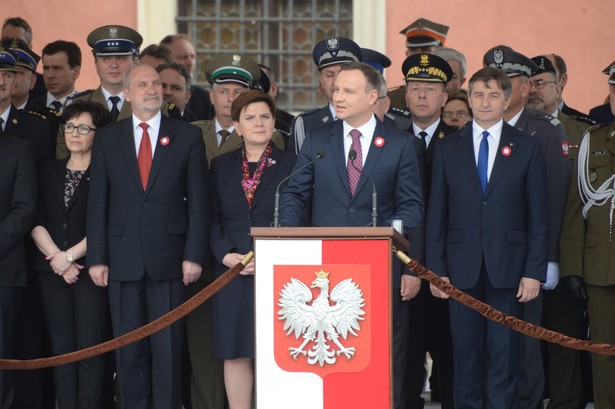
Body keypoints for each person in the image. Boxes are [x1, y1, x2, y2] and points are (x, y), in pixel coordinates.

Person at [279, 61, 423, 409]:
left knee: (385, 357)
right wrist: (286, 240)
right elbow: (295, 193)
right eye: (336, 88)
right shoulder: (318, 139)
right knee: (335, 360)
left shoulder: (400, 144)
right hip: (325, 270)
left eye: (348, 90)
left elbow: (412, 207)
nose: (337, 96)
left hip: (382, 268)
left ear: (373, 96)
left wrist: (409, 265)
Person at [87, 64, 210, 409]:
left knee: (168, 351)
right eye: (142, 84)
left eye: (156, 82)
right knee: (129, 352)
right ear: (127, 92)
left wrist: (194, 254)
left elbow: (199, 204)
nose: (152, 89)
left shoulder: (186, 136)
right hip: (122, 260)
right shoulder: (109, 137)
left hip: (170, 260)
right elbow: (98, 203)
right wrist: (97, 257)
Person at [426, 66, 548, 409]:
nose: (485, 102)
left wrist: (533, 270)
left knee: (504, 358)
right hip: (460, 269)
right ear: (469, 98)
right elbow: (437, 212)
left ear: (507, 99)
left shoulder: (527, 147)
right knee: (465, 358)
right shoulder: (449, 148)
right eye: (478, 94)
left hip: (508, 270)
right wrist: (436, 269)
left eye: (494, 95)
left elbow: (538, 216)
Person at [210, 90, 295, 409]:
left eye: (265, 116)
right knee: (235, 350)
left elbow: (300, 216)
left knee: (277, 349)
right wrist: (225, 254)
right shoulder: (220, 166)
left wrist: (272, 254)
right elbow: (211, 217)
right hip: (231, 269)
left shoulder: (292, 164)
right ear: (237, 126)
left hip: (278, 270)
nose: (258, 123)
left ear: (274, 122)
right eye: (249, 118)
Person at [31, 101, 114, 409]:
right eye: (69, 127)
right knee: (61, 351)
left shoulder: (105, 174)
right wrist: (57, 258)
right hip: (52, 272)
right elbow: (36, 219)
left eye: (83, 128)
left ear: (98, 133)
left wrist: (70, 257)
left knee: (89, 351)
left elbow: (107, 222)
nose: (74, 133)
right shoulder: (48, 169)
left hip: (89, 270)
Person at [400, 53, 457, 409]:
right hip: (401, 266)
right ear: (404, 95)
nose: (422, 95)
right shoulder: (388, 140)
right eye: (415, 88)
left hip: (447, 268)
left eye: (430, 89)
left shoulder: (462, 141)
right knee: (403, 360)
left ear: (445, 97)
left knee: (451, 357)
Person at [559, 119, 615, 409]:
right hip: (600, 266)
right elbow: (575, 207)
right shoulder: (593, 139)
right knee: (604, 356)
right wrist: (571, 268)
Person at [0, 47, 38, 409]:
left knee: (2, 359)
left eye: (4, 76)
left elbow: (25, 208)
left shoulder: (19, 146)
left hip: (4, 269)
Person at [193, 53, 285, 165]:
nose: (231, 98)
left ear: (248, 97)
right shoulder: (193, 131)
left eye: (238, 92)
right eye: (224, 92)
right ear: (212, 96)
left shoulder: (266, 134)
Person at [289, 36, 362, 155]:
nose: (337, 80)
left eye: (342, 72)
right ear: (322, 82)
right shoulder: (305, 125)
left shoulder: (372, 117)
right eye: (329, 75)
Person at [388, 18, 450, 111]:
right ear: (406, 54)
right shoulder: (391, 99)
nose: (420, 55)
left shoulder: (456, 99)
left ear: (441, 52)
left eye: (425, 49)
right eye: (413, 50)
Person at [160, 34, 214, 121]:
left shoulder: (206, 101)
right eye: (183, 57)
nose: (190, 63)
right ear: (165, 59)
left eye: (192, 57)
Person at [30, 40, 82, 112]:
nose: (50, 75)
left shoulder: (87, 110)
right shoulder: (29, 108)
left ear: (76, 72)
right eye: (46, 68)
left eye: (57, 68)